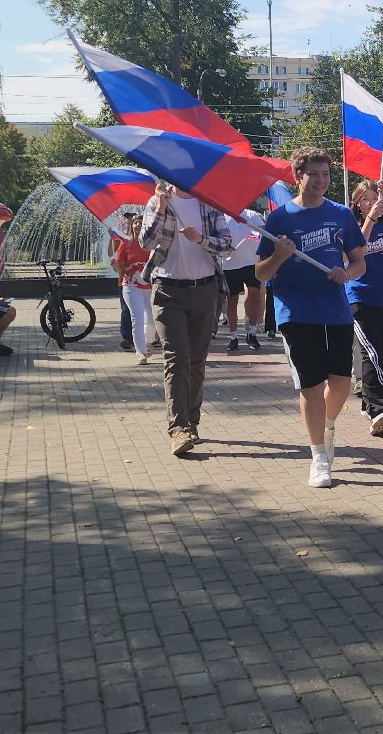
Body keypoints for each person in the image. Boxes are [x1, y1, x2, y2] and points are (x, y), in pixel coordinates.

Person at [253, 148, 367, 488]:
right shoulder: (279, 220)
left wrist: (346, 274)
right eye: (314, 174)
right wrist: (278, 256)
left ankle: (328, 425)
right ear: (297, 176)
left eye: (326, 175)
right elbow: (260, 273)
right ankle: (319, 456)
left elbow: (360, 262)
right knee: (312, 386)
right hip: (296, 312)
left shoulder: (342, 215)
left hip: (335, 310)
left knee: (341, 383)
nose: (321, 181)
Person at [138, 180, 235, 455]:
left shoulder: (209, 204)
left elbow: (226, 245)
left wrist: (201, 239)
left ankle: (192, 421)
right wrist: (160, 207)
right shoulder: (158, 202)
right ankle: (177, 429)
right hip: (168, 291)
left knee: (196, 362)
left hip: (204, 290)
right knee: (176, 359)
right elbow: (146, 242)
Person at [347, 179, 383, 437]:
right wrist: (370, 218)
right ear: (357, 203)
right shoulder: (351, 226)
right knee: (370, 353)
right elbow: (358, 247)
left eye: (375, 197)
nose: (371, 202)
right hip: (361, 298)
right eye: (366, 198)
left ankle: (375, 405)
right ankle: (379, 410)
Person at [220, 208, 266, 352]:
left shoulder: (252, 215)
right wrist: (224, 246)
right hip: (229, 265)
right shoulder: (222, 216)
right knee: (232, 301)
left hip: (251, 263)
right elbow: (216, 237)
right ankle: (233, 337)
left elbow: (264, 233)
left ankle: (251, 333)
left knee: (254, 296)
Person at [112, 215, 155, 365]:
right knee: (137, 318)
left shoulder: (151, 244)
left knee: (151, 320)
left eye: (141, 223)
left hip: (150, 287)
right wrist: (116, 265)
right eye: (136, 223)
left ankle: (148, 343)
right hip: (130, 286)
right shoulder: (126, 244)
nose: (138, 225)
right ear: (132, 226)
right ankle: (141, 353)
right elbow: (119, 266)